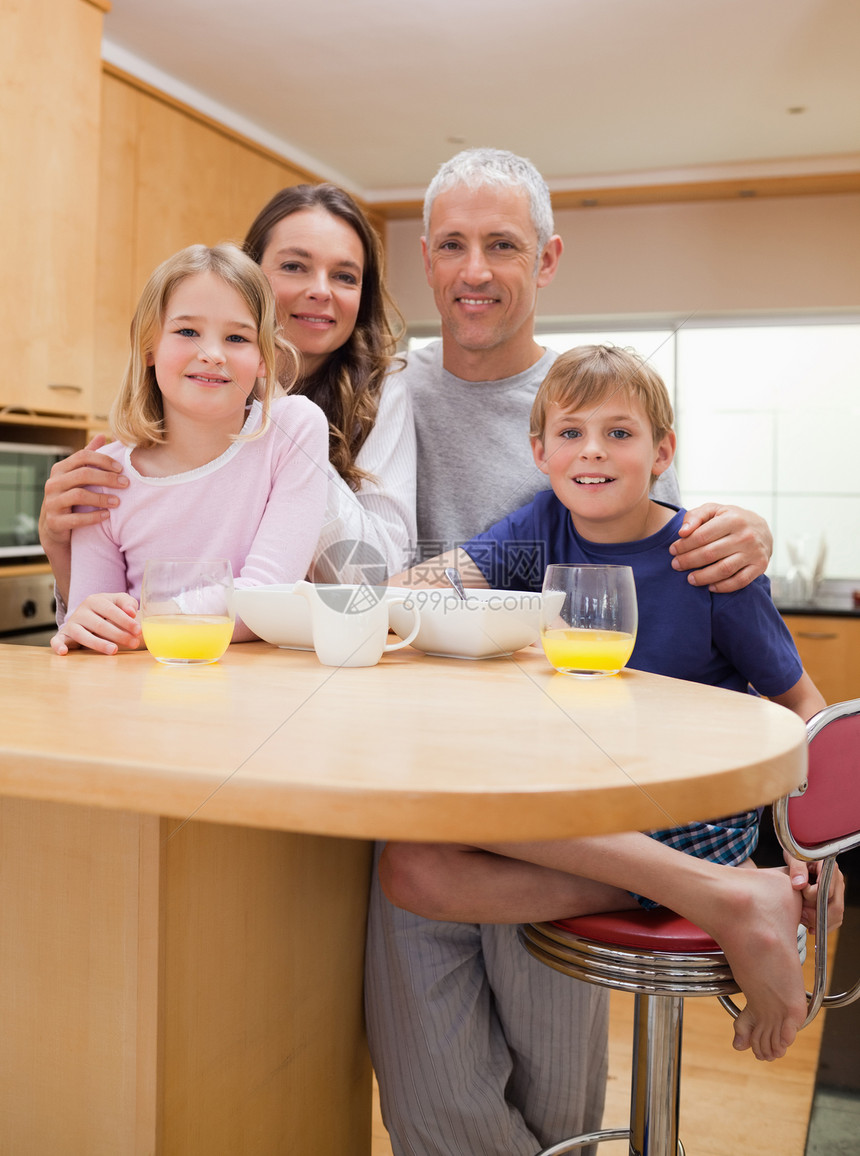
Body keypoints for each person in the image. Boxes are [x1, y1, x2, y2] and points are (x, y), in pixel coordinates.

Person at [365, 148, 778, 1156]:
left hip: (564, 790)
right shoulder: (384, 391)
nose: (474, 270)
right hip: (408, 780)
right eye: (452, 245)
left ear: (544, 259)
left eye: (501, 244)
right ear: (423, 259)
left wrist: (747, 536)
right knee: (428, 1106)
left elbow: (679, 540)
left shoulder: (594, 396)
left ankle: (692, 881)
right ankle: (694, 885)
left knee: (560, 1106)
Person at [380, 343, 838, 1066]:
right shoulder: (540, 529)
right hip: (594, 809)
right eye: (571, 433)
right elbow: (416, 591)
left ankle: (725, 886)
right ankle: (719, 897)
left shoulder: (708, 559)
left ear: (663, 451)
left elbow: (806, 708)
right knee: (410, 870)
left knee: (471, 802)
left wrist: (817, 853)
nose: (592, 452)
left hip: (688, 812)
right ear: (540, 451)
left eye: (619, 433)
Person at [39, 183, 415, 603]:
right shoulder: (134, 451)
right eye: (294, 266)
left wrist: (287, 436)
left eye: (345, 276)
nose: (321, 291)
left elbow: (381, 578)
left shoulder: (377, 394)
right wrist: (58, 547)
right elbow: (93, 621)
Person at [50, 243, 329, 655]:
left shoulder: (292, 430)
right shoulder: (105, 475)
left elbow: (267, 597)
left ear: (264, 359)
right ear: (149, 346)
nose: (212, 354)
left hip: (257, 698)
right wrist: (91, 621)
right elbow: (97, 628)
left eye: (237, 337)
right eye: (187, 332)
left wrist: (148, 623)